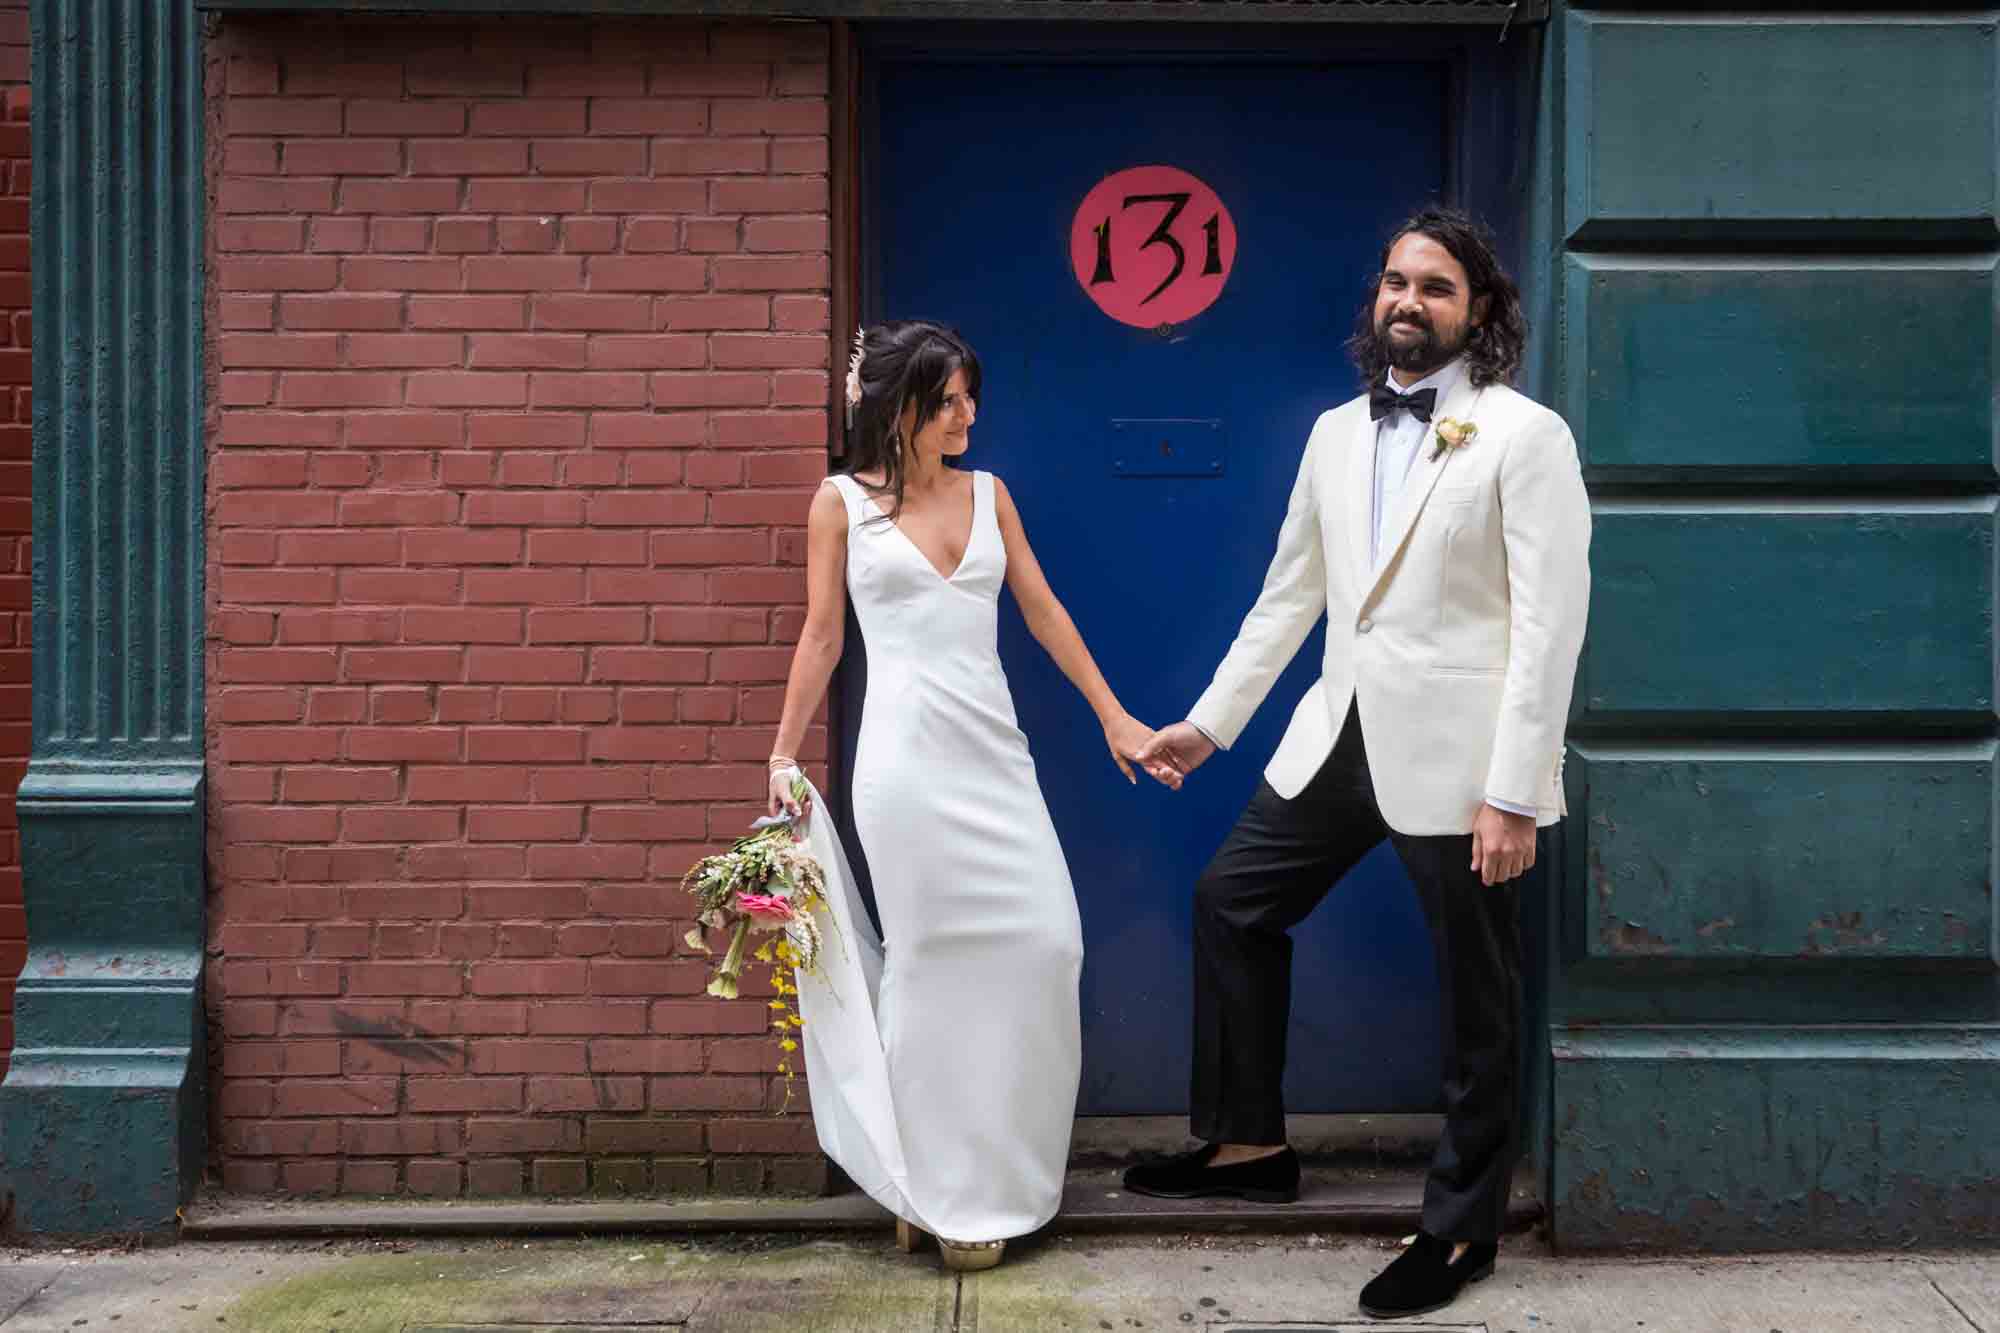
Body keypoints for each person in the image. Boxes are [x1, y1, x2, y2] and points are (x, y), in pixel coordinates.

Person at [1124, 208, 1592, 1321]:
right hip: (1338, 731)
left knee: (1476, 995)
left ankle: (1457, 1228)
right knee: (1231, 902)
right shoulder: (1335, 431)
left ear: (1477, 311)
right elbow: (1292, 593)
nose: (1406, 302)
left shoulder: (1525, 437)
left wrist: (1514, 789)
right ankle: (1246, 1146)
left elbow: (1547, 625)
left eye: (1434, 286)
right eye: (1393, 280)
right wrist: (1210, 721)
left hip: (1464, 759)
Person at [766, 320, 1162, 1271]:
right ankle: (933, 1192)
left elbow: (1043, 607)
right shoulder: (839, 506)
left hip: (995, 759)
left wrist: (1115, 717)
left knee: (1047, 941)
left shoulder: (991, 495)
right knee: (930, 965)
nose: (969, 416)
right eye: (950, 401)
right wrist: (781, 755)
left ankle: (994, 1180)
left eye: (971, 398)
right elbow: (823, 637)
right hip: (902, 769)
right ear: (903, 409)